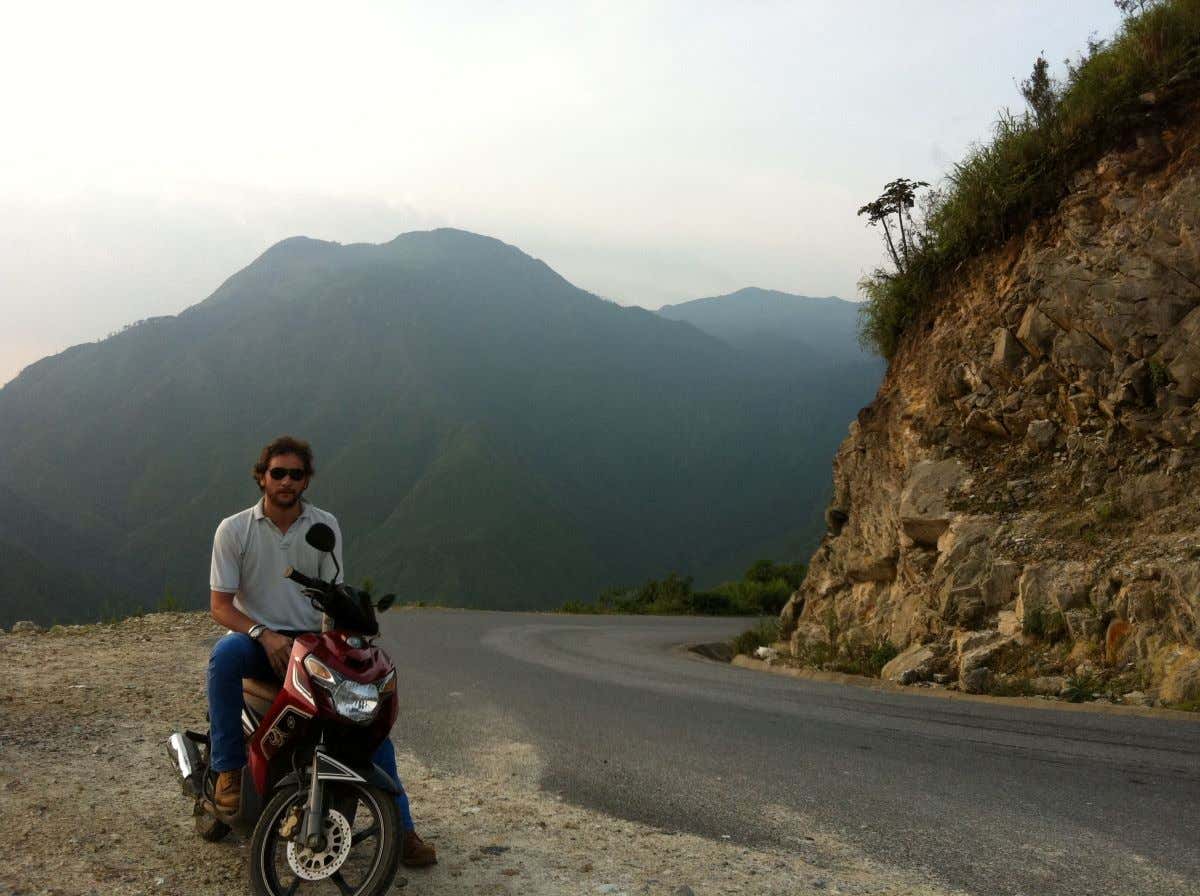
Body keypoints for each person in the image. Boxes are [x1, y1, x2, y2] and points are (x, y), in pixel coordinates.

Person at [206, 435, 436, 867]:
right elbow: (220, 606)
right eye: (278, 473)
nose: (287, 481)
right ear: (262, 477)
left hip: (311, 642)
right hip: (258, 638)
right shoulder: (234, 530)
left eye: (296, 474)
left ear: (307, 479)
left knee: (365, 719)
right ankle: (228, 770)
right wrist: (264, 634)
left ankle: (401, 828)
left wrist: (346, 644)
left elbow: (333, 596)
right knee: (224, 657)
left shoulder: (323, 526)